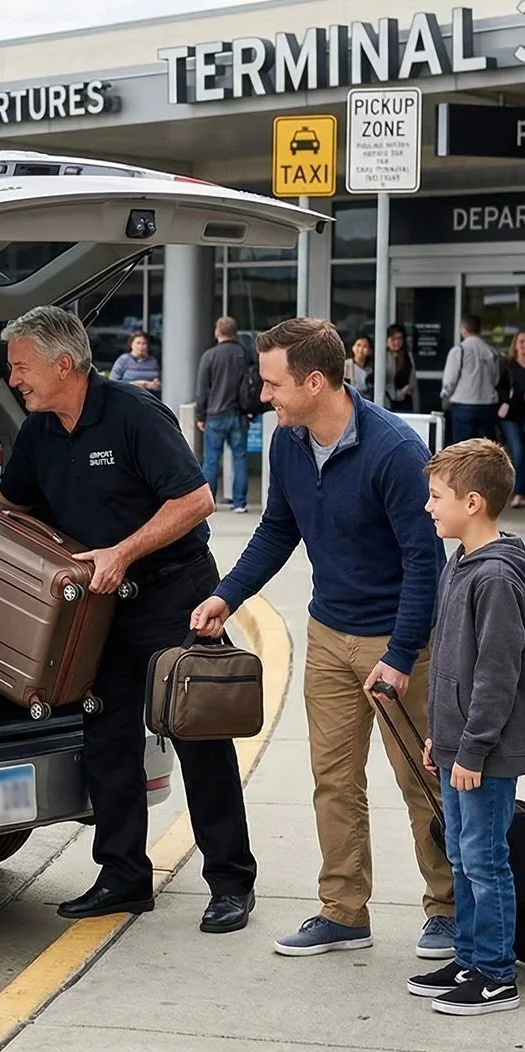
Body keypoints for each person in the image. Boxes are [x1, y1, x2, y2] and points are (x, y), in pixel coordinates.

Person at [0, 305, 257, 931]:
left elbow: (195, 500)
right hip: (99, 609)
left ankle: (231, 881)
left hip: (172, 593)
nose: (13, 379)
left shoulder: (133, 414)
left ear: (62, 364)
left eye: (21, 367)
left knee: (199, 735)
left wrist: (123, 551)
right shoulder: (39, 432)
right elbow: (9, 504)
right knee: (106, 739)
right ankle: (124, 876)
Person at [190, 317, 455, 959]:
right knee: (333, 779)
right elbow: (278, 529)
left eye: (273, 383)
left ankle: (449, 909)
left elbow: (426, 561)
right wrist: (228, 594)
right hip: (329, 633)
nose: (264, 395)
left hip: (402, 643)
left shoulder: (394, 451)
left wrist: (397, 656)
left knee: (423, 783)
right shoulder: (288, 442)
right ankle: (343, 910)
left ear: (316, 381)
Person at [406, 438, 525, 1015]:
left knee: (484, 857)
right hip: (457, 744)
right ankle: (471, 956)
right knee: (459, 851)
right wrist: (440, 736)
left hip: (486, 753)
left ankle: (497, 972)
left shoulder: (497, 578)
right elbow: (452, 661)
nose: (428, 507)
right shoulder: (460, 563)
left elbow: (497, 676)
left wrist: (473, 750)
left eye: (436, 497)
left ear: (473, 502)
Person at [195, 316, 251, 514]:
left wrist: (200, 415)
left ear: (217, 332)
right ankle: (240, 503)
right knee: (240, 459)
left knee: (210, 460)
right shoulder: (243, 354)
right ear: (235, 332)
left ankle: (210, 502)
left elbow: (203, 390)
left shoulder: (209, 356)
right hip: (238, 414)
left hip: (215, 415)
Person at [442, 316, 499, 445]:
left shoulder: (459, 350)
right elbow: (495, 379)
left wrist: (445, 395)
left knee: (463, 448)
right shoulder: (491, 351)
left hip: (463, 404)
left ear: (463, 329)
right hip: (487, 405)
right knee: (485, 449)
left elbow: (449, 381)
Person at [496, 331, 525, 509]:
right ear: (515, 344)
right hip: (509, 416)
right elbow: (500, 388)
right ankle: (517, 492)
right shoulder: (507, 365)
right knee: (518, 450)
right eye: (521, 342)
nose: (524, 346)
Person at [386, 324, 419, 413]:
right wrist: (398, 394)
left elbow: (413, 379)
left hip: (407, 402)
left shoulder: (408, 356)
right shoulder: (382, 357)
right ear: (387, 340)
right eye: (393, 339)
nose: (396, 342)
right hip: (388, 403)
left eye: (400, 338)